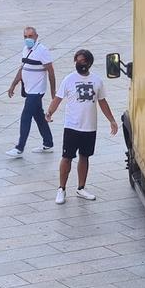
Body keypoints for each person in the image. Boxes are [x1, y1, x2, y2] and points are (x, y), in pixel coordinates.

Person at [45, 50, 118, 205]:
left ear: (89, 63)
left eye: (83, 61)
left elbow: (102, 102)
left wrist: (111, 120)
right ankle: (61, 189)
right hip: (72, 126)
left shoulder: (97, 81)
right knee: (67, 157)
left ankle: (81, 188)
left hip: (89, 127)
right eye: (77, 60)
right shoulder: (69, 80)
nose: (80, 63)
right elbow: (58, 98)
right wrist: (49, 112)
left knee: (84, 157)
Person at [6, 27, 56, 158]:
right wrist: (13, 84)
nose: (28, 39)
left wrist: (53, 92)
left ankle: (19, 147)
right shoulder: (25, 49)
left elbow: (51, 72)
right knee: (38, 116)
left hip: (37, 91)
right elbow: (23, 68)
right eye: (25, 36)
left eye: (30, 36)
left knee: (26, 116)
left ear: (36, 36)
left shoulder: (42, 51)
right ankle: (48, 143)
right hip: (28, 89)